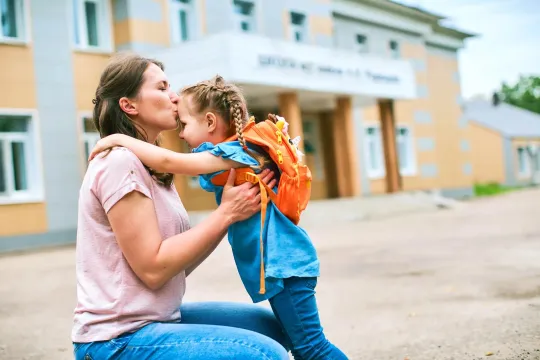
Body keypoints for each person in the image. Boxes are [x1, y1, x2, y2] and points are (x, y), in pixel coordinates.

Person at [89, 75, 349, 360]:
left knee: (312, 347)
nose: (182, 133)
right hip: (284, 265)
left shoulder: (234, 152)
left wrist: (117, 138)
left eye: (185, 125)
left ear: (210, 123)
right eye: (162, 87)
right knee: (302, 346)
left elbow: (169, 161)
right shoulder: (237, 155)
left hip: (285, 265)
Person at [72, 54, 290, 360]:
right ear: (129, 105)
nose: (175, 97)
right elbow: (153, 269)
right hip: (117, 340)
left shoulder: (150, 167)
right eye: (161, 88)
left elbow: (177, 267)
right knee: (263, 354)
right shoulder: (120, 162)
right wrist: (226, 213)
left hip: (158, 320)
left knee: (278, 329)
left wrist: (233, 212)